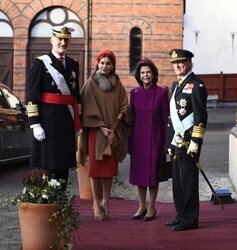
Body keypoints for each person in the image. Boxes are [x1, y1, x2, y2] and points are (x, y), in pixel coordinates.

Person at [77, 50, 132, 221]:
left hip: (113, 132)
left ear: (113, 65)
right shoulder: (90, 84)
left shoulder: (117, 84)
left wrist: (116, 124)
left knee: (109, 169)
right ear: (97, 64)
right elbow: (86, 108)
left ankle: (106, 203)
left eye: (108, 63)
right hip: (96, 131)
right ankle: (95, 203)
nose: (105, 66)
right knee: (95, 168)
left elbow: (124, 105)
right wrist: (101, 127)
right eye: (102, 63)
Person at [26, 26, 82, 187]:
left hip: (66, 120)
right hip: (47, 120)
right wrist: (35, 123)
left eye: (66, 40)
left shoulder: (73, 64)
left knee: (63, 164)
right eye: (59, 39)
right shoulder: (41, 63)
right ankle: (45, 203)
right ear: (52, 40)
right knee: (47, 164)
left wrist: (78, 120)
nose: (63, 42)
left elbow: (75, 95)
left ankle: (60, 204)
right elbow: (31, 95)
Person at [166, 49, 208, 231]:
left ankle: (190, 219)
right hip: (177, 142)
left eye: (181, 62)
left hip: (189, 143)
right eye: (175, 63)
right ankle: (180, 214)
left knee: (189, 181)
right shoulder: (176, 85)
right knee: (178, 181)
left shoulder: (197, 85)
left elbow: (200, 116)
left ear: (190, 63)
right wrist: (170, 142)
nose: (177, 66)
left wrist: (196, 142)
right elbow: (171, 118)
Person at [129, 58, 170, 221]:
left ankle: (152, 206)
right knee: (139, 174)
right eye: (142, 72)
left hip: (155, 138)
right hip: (138, 139)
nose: (145, 75)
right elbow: (131, 118)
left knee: (153, 174)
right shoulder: (134, 93)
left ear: (153, 74)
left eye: (148, 72)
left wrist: (166, 143)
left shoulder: (161, 93)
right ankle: (141, 206)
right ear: (139, 75)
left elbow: (166, 119)